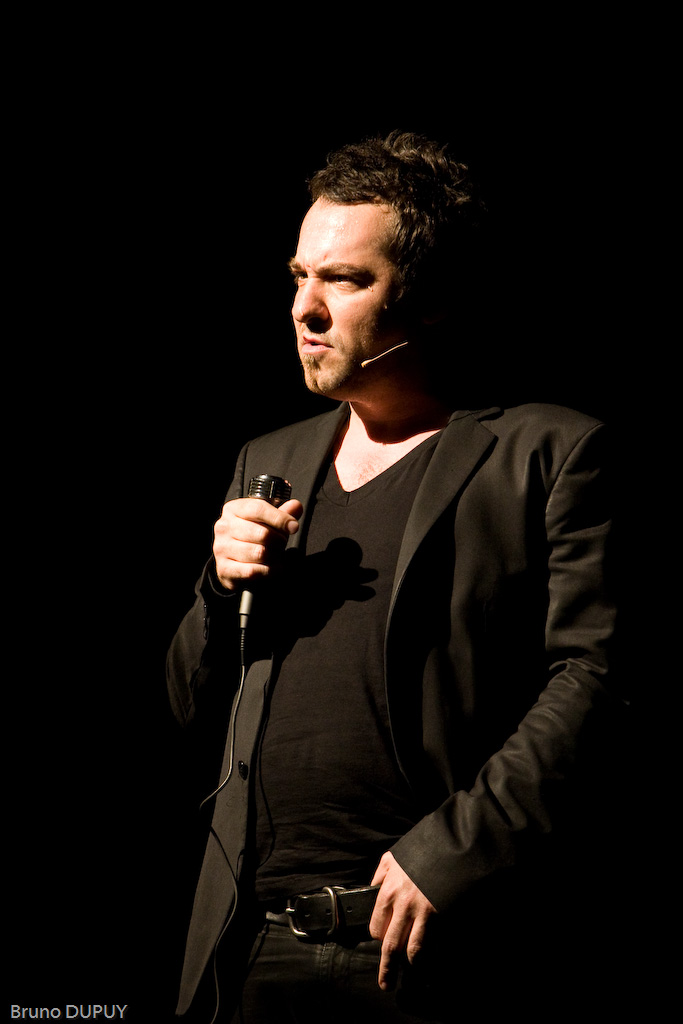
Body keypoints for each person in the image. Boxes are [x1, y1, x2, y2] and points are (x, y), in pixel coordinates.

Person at [167, 132, 623, 1023]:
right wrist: (220, 593)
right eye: (298, 276)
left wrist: (450, 855)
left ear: (433, 298)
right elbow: (186, 707)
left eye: (343, 280)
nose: (304, 309)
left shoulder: (545, 452)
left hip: (421, 943)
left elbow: (595, 677)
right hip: (247, 937)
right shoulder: (268, 460)